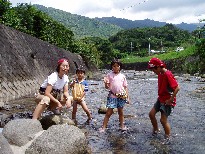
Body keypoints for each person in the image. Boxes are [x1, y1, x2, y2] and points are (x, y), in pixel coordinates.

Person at [148, 57, 180, 144]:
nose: (153, 72)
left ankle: (168, 137)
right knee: (151, 114)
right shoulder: (160, 73)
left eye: (153, 69)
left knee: (163, 120)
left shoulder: (167, 74)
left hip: (167, 100)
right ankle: (156, 130)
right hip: (161, 98)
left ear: (158, 67)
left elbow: (177, 88)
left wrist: (170, 99)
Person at [99, 59, 130, 132]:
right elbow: (107, 87)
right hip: (112, 96)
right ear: (112, 67)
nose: (116, 67)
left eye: (117, 66)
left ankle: (122, 126)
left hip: (121, 96)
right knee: (109, 112)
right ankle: (103, 127)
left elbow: (125, 87)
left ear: (120, 67)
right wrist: (106, 83)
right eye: (114, 66)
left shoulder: (123, 76)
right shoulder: (109, 75)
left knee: (121, 112)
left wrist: (128, 97)